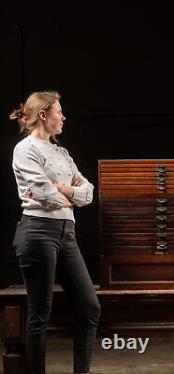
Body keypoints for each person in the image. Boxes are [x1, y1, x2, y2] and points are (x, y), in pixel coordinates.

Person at [10, 90, 101, 374]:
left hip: (66, 233)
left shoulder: (61, 152)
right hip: (37, 232)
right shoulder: (25, 149)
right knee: (40, 314)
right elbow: (45, 195)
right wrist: (67, 193)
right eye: (58, 112)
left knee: (90, 308)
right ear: (43, 115)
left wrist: (64, 190)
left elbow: (88, 193)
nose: (63, 117)